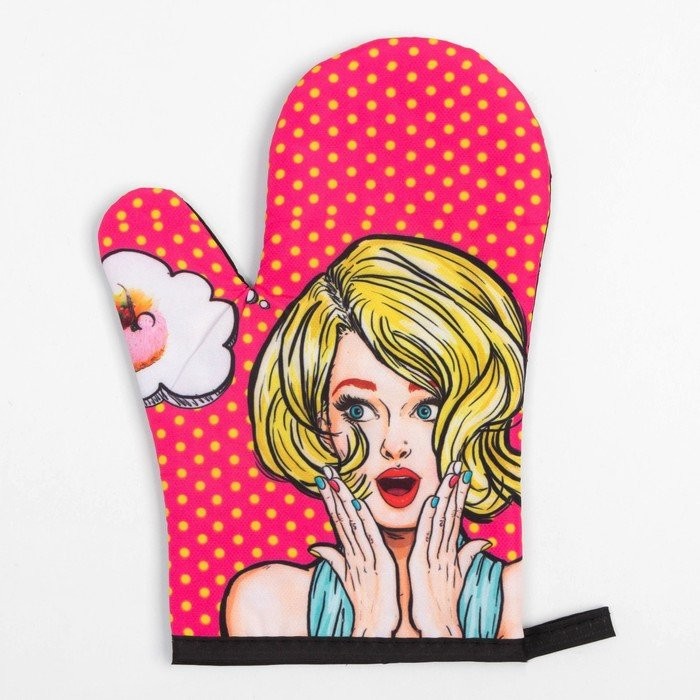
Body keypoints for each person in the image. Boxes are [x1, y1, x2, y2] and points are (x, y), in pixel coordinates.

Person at [222, 235, 525, 638]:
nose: (393, 445)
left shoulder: (517, 594)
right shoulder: (268, 603)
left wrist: (443, 629)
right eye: (358, 411)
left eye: (425, 409)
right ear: (320, 425)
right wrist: (366, 631)